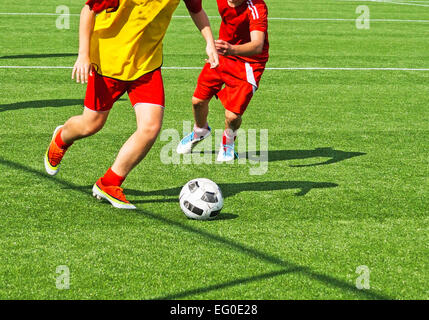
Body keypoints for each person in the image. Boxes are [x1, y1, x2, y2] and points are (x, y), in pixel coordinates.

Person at [44, 0, 219, 209]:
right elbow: (88, 10)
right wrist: (83, 54)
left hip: (147, 66)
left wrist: (209, 41)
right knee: (91, 124)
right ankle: (61, 138)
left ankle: (109, 183)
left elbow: (196, 9)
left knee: (150, 127)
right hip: (108, 63)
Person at [176, 0, 269, 161]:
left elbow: (257, 45)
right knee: (197, 101)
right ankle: (200, 131)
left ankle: (228, 143)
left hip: (249, 62)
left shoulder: (256, 7)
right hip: (223, 53)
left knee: (232, 116)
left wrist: (231, 49)